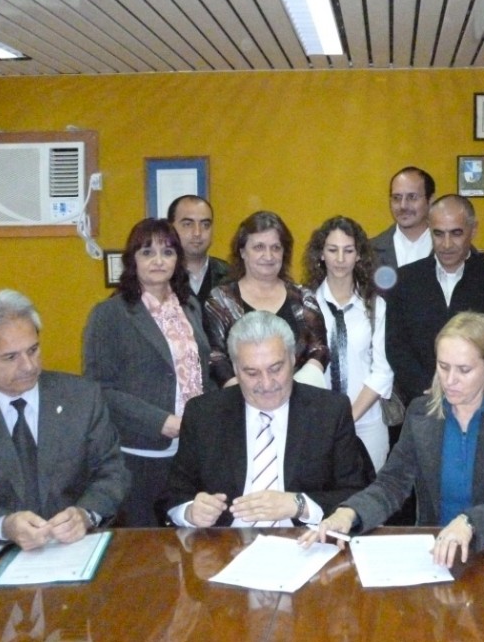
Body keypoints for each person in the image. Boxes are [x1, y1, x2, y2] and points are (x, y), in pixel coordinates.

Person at [299, 312, 484, 568]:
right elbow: (392, 483)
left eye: (464, 370)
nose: (450, 380)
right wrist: (349, 512)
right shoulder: (423, 413)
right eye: (443, 367)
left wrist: (470, 522)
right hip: (436, 554)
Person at [0, 289, 128, 548]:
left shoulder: (82, 397)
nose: (28, 365)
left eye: (33, 350)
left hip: (74, 549)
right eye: (11, 357)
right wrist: (3, 525)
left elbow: (113, 473)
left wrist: (85, 514)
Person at [161, 310, 372, 527]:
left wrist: (299, 505)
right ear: (235, 369)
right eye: (252, 373)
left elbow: (357, 494)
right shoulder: (204, 414)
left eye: (275, 368)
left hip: (304, 542)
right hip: (226, 546)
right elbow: (173, 495)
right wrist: (189, 512)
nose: (267, 383)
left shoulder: (329, 411)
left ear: (292, 359)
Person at [83, 218, 211, 527]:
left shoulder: (189, 306)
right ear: (132, 260)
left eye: (167, 252)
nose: (158, 261)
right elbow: (98, 389)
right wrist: (160, 421)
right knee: (145, 552)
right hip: (140, 452)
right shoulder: (110, 314)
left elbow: (201, 371)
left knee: (189, 543)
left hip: (191, 449)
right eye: (147, 252)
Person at [387, 195, 484, 405]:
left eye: (456, 233)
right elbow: (396, 346)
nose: (447, 244)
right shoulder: (405, 280)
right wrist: (428, 390)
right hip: (422, 402)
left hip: (483, 401)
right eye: (438, 234)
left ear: (473, 230)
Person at [304, 216, 394, 470]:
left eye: (348, 250)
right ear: (321, 254)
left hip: (366, 420)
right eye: (332, 250)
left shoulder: (375, 305)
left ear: (359, 256)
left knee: (368, 496)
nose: (340, 259)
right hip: (316, 421)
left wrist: (348, 418)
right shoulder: (305, 303)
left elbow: (383, 370)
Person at [204, 210, 329, 387]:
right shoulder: (221, 300)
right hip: (240, 400)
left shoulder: (303, 298)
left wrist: (296, 389)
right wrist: (246, 394)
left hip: (298, 399)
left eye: (276, 248)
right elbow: (215, 356)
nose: (268, 256)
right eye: (259, 247)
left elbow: (319, 349)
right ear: (242, 252)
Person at [168, 195, 229, 309]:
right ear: (170, 228)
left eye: (205, 225)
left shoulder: (230, 276)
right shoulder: (160, 276)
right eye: (188, 224)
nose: (197, 232)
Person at [370, 166, 436, 271]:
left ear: (431, 200)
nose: (403, 206)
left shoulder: (454, 250)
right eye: (397, 198)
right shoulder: (370, 252)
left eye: (412, 197)